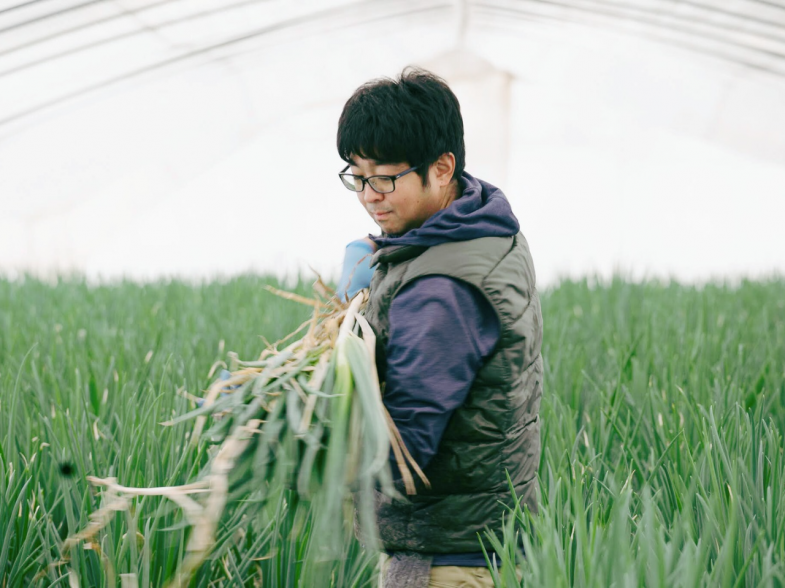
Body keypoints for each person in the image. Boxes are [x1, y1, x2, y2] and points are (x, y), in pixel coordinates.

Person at [336, 67, 543, 588]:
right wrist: (382, 262)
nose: (368, 195)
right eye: (356, 176)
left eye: (384, 177)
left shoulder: (442, 289)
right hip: (473, 540)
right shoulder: (476, 224)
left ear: (443, 167)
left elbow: (402, 449)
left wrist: (296, 432)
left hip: (447, 561)